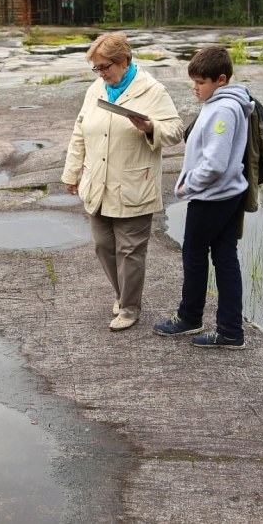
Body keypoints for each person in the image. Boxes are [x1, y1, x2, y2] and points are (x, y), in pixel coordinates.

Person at [62, 32, 184, 332]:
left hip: (134, 185)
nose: (101, 73)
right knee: (103, 246)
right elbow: (80, 132)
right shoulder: (96, 88)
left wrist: (151, 127)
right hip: (97, 183)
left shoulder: (152, 90)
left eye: (105, 67)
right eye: (97, 68)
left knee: (130, 251)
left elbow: (176, 130)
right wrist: (71, 172)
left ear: (124, 61)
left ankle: (130, 308)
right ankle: (122, 293)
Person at [153, 45, 254, 349]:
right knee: (224, 258)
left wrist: (188, 186)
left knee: (194, 255)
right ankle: (230, 330)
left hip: (214, 196)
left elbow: (216, 163)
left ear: (221, 79)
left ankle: (190, 317)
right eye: (193, 82)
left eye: (200, 82)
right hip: (227, 193)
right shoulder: (223, 103)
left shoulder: (224, 109)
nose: (195, 88)